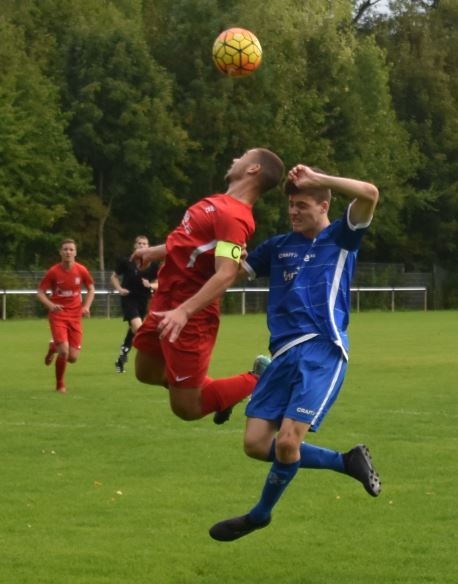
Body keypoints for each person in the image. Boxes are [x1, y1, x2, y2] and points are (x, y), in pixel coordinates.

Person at [209, 164, 382, 542]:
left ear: (323, 205)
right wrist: (223, 231)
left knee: (288, 441)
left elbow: (369, 192)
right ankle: (345, 461)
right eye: (290, 205)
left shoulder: (342, 237)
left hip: (322, 348)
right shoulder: (279, 246)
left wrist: (320, 178)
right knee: (256, 445)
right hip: (284, 352)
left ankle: (260, 514)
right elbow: (231, 270)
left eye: (301, 204)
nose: (293, 211)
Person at [131, 148, 285, 422]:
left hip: (190, 315)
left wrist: (184, 312)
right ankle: (222, 393)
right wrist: (155, 252)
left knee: (186, 409)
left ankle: (259, 378)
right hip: (166, 301)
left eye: (243, 156)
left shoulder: (235, 217)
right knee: (146, 371)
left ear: (254, 169)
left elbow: (226, 274)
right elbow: (188, 243)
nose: (235, 159)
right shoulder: (216, 203)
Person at [37, 238, 95, 393]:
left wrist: (86, 306)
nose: (68, 252)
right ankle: (60, 385)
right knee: (64, 352)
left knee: (73, 357)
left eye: (71, 249)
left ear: (75, 252)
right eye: (65, 249)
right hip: (58, 315)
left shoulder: (81, 270)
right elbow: (40, 292)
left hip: (75, 316)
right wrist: (51, 305)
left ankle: (52, 347)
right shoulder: (53, 271)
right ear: (60, 252)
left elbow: (91, 289)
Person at [111, 235, 159, 373]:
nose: (142, 246)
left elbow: (158, 283)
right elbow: (113, 276)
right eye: (139, 243)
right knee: (139, 329)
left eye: (145, 244)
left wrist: (149, 284)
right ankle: (150, 361)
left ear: (149, 247)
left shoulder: (153, 265)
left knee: (133, 330)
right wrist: (119, 289)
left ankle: (122, 357)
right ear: (135, 246)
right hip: (129, 299)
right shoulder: (127, 262)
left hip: (143, 300)